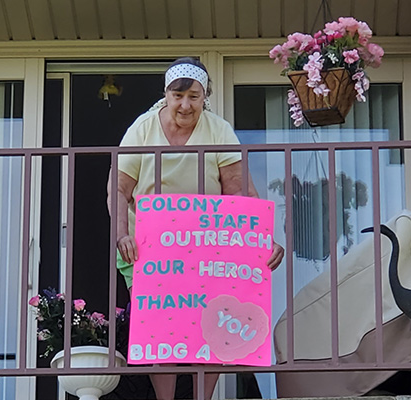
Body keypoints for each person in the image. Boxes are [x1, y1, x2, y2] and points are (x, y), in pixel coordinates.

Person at [106, 57, 285, 400]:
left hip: (208, 245)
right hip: (148, 247)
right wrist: (121, 234)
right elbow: (118, 187)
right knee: (161, 328)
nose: (185, 105)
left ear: (205, 97)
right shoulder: (142, 128)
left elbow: (239, 190)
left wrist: (263, 238)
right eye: (178, 96)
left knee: (214, 324)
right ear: (166, 95)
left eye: (194, 96)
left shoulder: (218, 130)